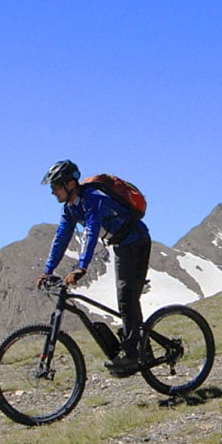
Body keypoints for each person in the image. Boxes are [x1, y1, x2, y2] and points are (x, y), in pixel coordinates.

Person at [38, 160, 152, 376]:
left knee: (127, 297)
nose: (53, 192)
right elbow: (61, 238)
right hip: (120, 246)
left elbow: (91, 232)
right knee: (126, 299)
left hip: (136, 242)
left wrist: (82, 267)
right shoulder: (70, 209)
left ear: (70, 184)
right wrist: (48, 270)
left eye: (56, 187)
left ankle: (132, 354)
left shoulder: (93, 199)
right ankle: (138, 347)